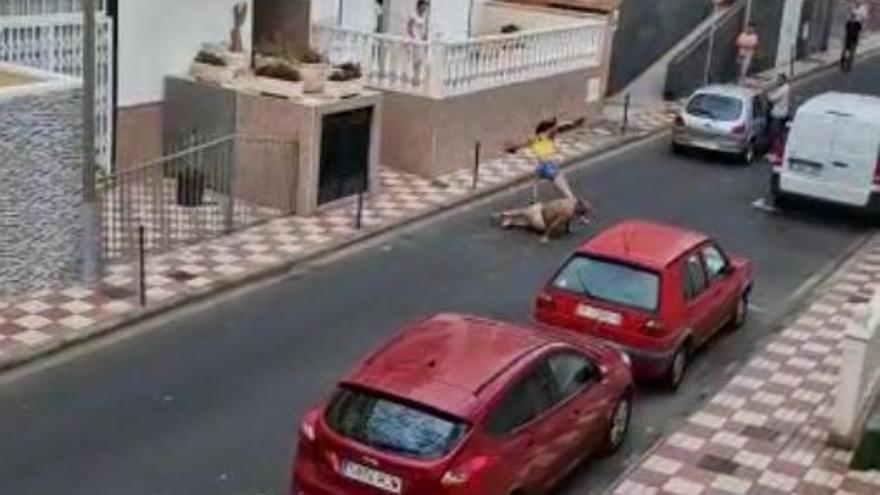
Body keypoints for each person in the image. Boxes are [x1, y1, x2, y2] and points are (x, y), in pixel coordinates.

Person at [494, 197, 593, 243]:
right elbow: (555, 224)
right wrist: (545, 236)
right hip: (540, 219)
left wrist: (568, 229)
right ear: (579, 209)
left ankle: (503, 213)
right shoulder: (568, 213)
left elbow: (569, 219)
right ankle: (513, 222)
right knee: (528, 223)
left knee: (523, 211)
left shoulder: (571, 200)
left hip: (539, 207)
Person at [528, 119, 575, 201]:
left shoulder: (533, 139)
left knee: (537, 181)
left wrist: (512, 148)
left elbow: (519, 145)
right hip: (549, 165)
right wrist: (570, 123)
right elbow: (556, 128)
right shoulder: (546, 136)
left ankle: (534, 199)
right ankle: (573, 200)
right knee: (562, 184)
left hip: (541, 166)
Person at [767, 74, 791, 146]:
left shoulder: (783, 89)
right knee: (781, 128)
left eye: (779, 80)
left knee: (775, 130)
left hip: (779, 112)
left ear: (783, 80)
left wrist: (768, 93)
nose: (778, 81)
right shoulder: (786, 87)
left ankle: (775, 142)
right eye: (778, 80)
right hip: (784, 110)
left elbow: (773, 98)